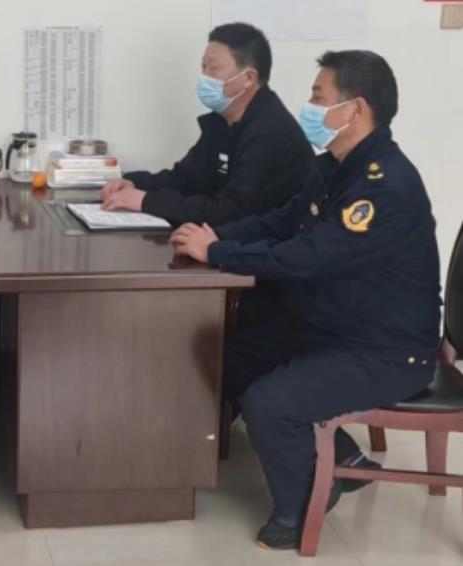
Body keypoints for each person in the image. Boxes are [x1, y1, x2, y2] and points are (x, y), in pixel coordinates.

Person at [169, 50, 441, 550]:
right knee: (228, 359)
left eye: (319, 96)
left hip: (386, 350)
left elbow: (306, 257)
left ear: (355, 110)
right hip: (335, 326)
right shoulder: (334, 167)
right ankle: (342, 457)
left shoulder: (383, 186)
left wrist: (218, 252)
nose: (309, 106)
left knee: (269, 402)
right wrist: (215, 236)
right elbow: (281, 222)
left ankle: (303, 506)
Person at [101, 22, 312, 229]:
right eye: (203, 67)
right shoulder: (222, 121)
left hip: (271, 244)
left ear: (248, 78)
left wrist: (146, 201)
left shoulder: (270, 132)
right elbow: (185, 178)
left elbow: (229, 211)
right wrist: (134, 183)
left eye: (214, 69)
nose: (205, 77)